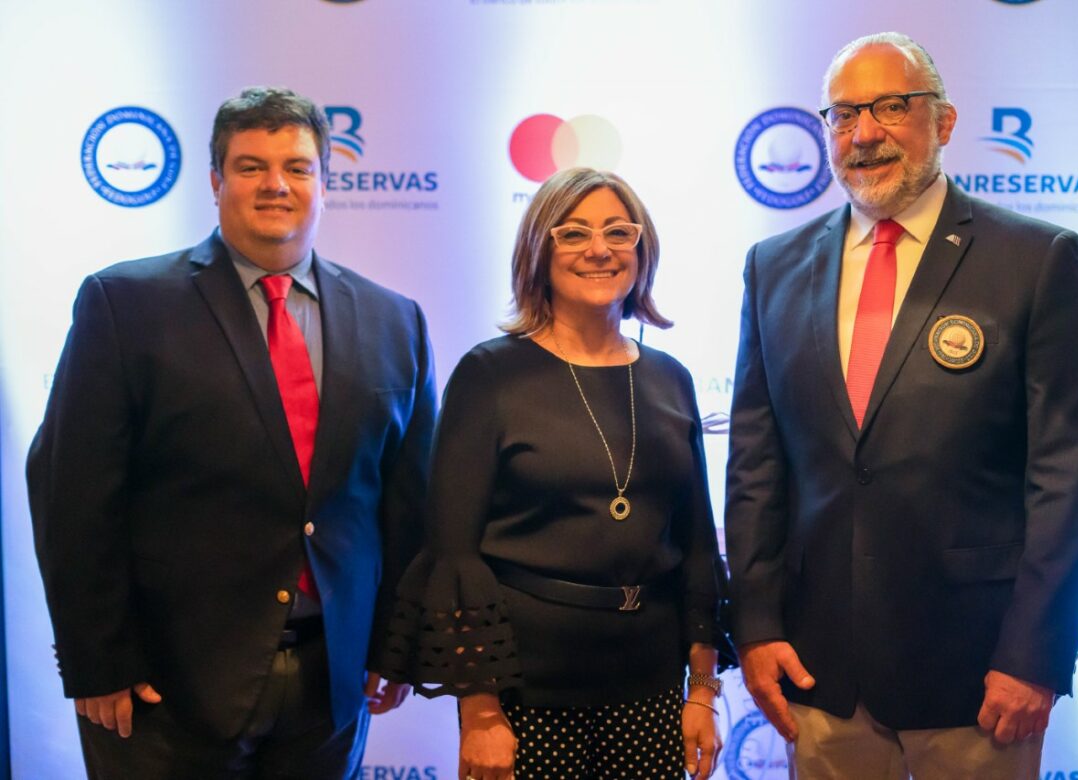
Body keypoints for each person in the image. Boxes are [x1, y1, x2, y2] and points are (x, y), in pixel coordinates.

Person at [725, 32, 1078, 779]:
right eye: (844, 115)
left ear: (944, 121)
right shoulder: (772, 267)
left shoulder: (1037, 261)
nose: (864, 133)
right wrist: (757, 625)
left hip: (980, 677)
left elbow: (1069, 479)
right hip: (820, 675)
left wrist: (1035, 655)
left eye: (892, 107)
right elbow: (755, 468)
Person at [27, 86, 437, 779]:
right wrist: (96, 660)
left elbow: (409, 504)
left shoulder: (395, 321)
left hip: (330, 689)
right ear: (216, 182)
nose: (276, 184)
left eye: (297, 167)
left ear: (324, 183)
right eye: (251, 167)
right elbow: (73, 493)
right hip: (165, 691)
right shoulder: (125, 304)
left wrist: (398, 645)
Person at [378, 167, 728, 780]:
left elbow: (698, 548)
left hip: (650, 688)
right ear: (539, 252)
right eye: (574, 233)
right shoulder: (489, 375)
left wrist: (701, 692)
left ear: (642, 249)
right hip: (526, 697)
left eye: (618, 232)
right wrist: (480, 714)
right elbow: (455, 556)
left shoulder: (671, 378)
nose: (599, 249)